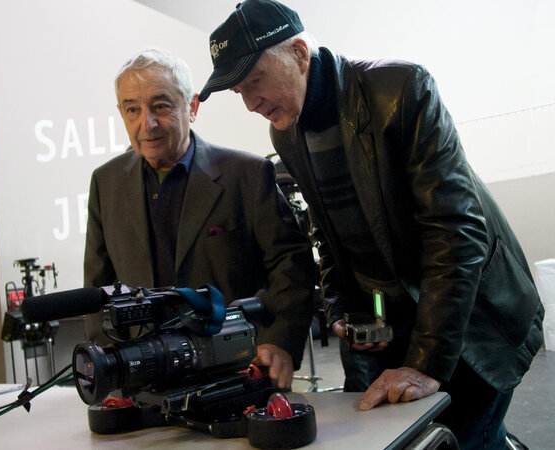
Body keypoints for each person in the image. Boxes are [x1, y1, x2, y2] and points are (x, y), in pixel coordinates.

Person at [198, 1, 545, 448]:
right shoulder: (285, 131)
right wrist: (342, 308)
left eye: (254, 82)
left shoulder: (400, 88)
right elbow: (327, 232)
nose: (248, 104)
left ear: (299, 54)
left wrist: (426, 362)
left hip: (471, 322)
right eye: (237, 92)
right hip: (395, 331)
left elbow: (455, 231)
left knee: (471, 437)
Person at [83, 47, 316, 389]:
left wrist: (280, 340)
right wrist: (109, 367)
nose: (146, 124)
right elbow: (98, 289)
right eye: (132, 109)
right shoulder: (106, 182)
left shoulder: (247, 175)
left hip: (236, 376)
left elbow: (291, 266)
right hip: (144, 384)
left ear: (191, 108)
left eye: (160, 106)